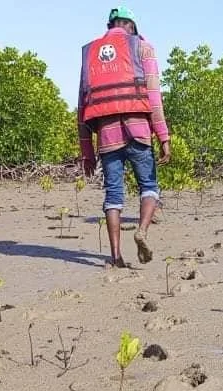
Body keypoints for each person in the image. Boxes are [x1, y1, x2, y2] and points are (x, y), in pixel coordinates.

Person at [77, 5, 171, 267]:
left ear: (110, 27)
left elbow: (82, 106)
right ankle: (141, 231)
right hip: (139, 129)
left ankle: (116, 257)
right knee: (149, 187)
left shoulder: (90, 53)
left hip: (107, 136)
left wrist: (86, 154)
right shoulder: (142, 47)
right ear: (130, 27)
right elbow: (154, 96)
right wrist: (163, 136)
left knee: (113, 196)